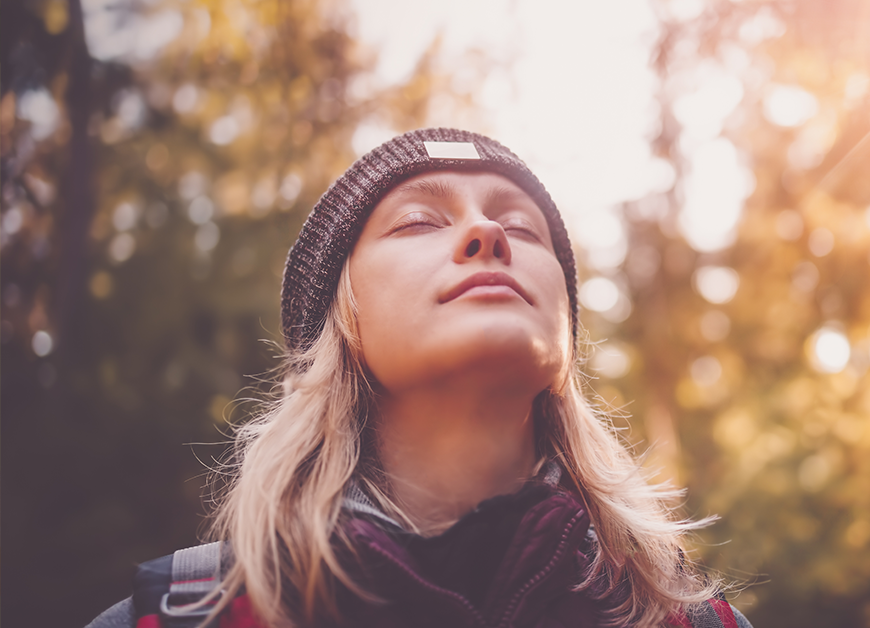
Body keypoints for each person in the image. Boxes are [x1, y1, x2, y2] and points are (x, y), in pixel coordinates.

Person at [86, 128, 751, 628]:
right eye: (419, 221)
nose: (488, 232)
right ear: (340, 320)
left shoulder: (689, 619)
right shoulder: (178, 618)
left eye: (523, 227)